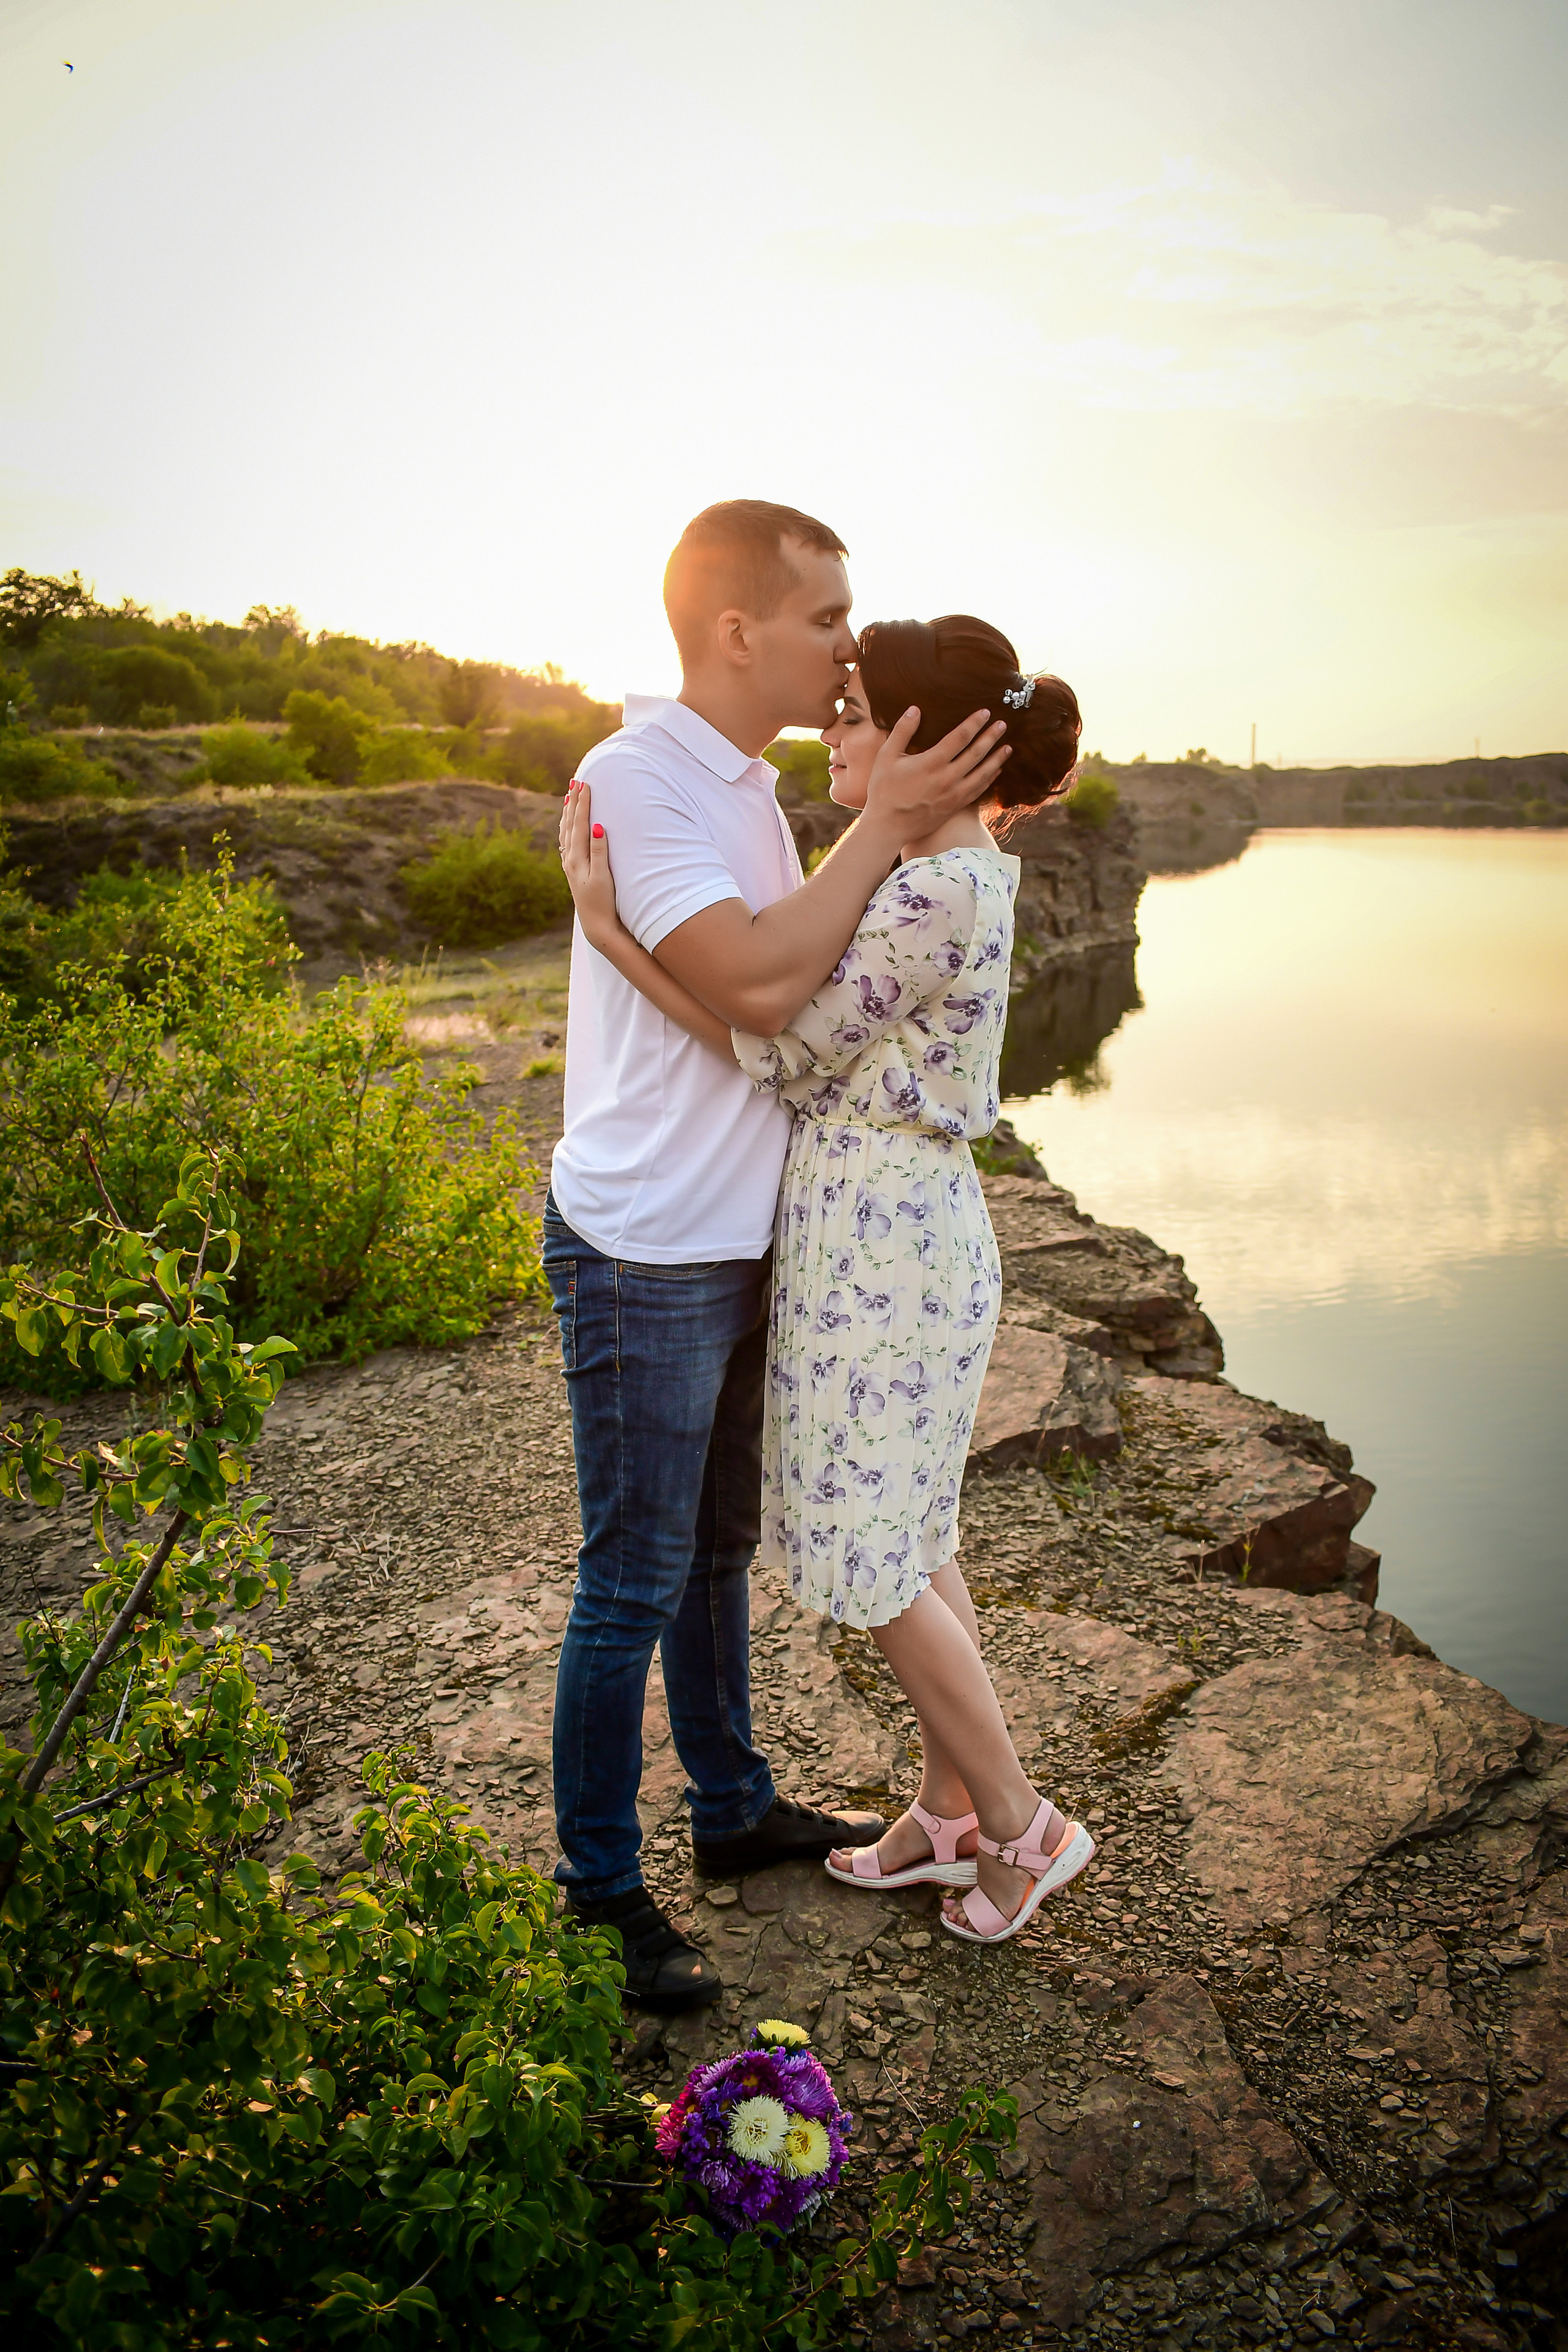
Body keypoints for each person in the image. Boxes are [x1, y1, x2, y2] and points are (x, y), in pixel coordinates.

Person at [562, 611, 1097, 1948]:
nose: (833, 730)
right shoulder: (943, 869)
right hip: (889, 1223)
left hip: (880, 1238)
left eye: (856, 711)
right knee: (915, 1536)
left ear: (921, 738)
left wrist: (613, 937)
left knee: (871, 1559)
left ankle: (1023, 1828)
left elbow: (780, 1043)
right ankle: (946, 1821)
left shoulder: (925, 888)